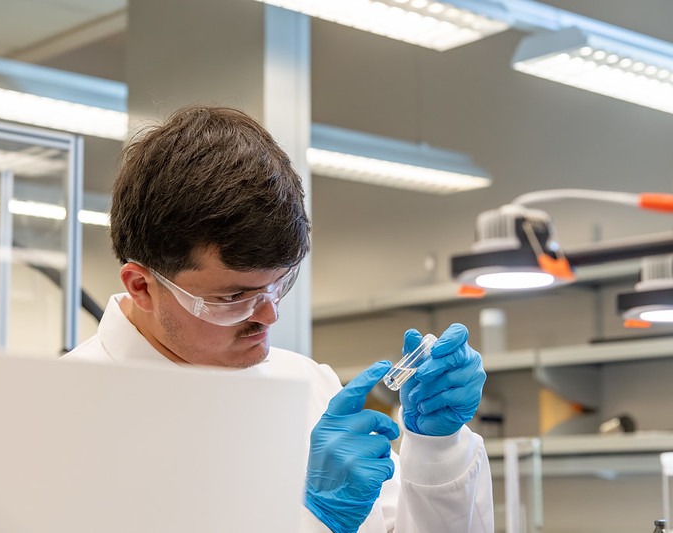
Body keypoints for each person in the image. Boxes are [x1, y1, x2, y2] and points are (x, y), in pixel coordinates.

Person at [63, 105, 493, 532]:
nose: (269, 315)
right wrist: (314, 521)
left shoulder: (307, 385)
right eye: (234, 296)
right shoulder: (61, 418)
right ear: (142, 286)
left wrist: (439, 451)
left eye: (278, 284)